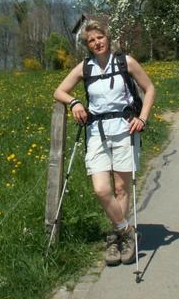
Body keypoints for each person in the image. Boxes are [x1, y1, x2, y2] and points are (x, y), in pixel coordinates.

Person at [53, 20, 155, 266]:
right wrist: (74, 102)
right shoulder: (84, 67)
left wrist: (142, 118)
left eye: (100, 37)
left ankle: (117, 239)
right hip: (96, 133)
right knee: (101, 189)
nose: (97, 43)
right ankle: (126, 231)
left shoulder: (126, 62)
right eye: (91, 40)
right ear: (87, 45)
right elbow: (59, 91)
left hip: (125, 130)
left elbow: (150, 88)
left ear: (108, 38)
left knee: (121, 189)